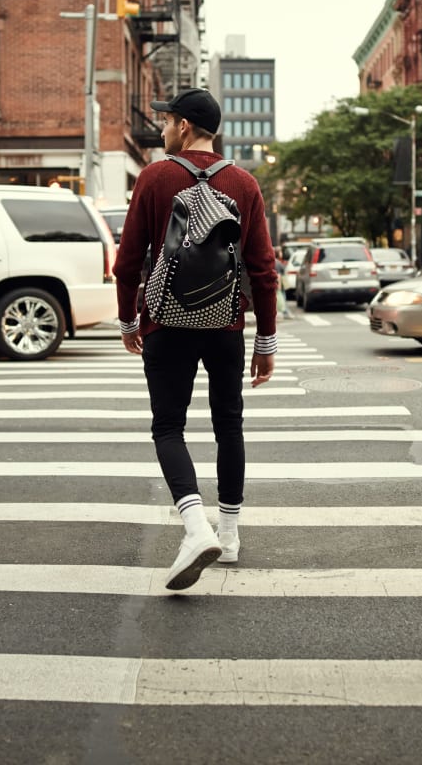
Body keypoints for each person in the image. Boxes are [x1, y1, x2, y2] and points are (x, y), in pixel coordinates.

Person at [113, 87, 279, 592]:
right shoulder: (244, 183)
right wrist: (265, 340)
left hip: (165, 324)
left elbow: (126, 263)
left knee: (168, 427)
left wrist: (128, 322)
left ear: (184, 127)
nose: (162, 129)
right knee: (229, 424)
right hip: (225, 326)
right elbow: (264, 270)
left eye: (167, 122)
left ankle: (194, 527)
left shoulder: (155, 177)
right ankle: (227, 534)